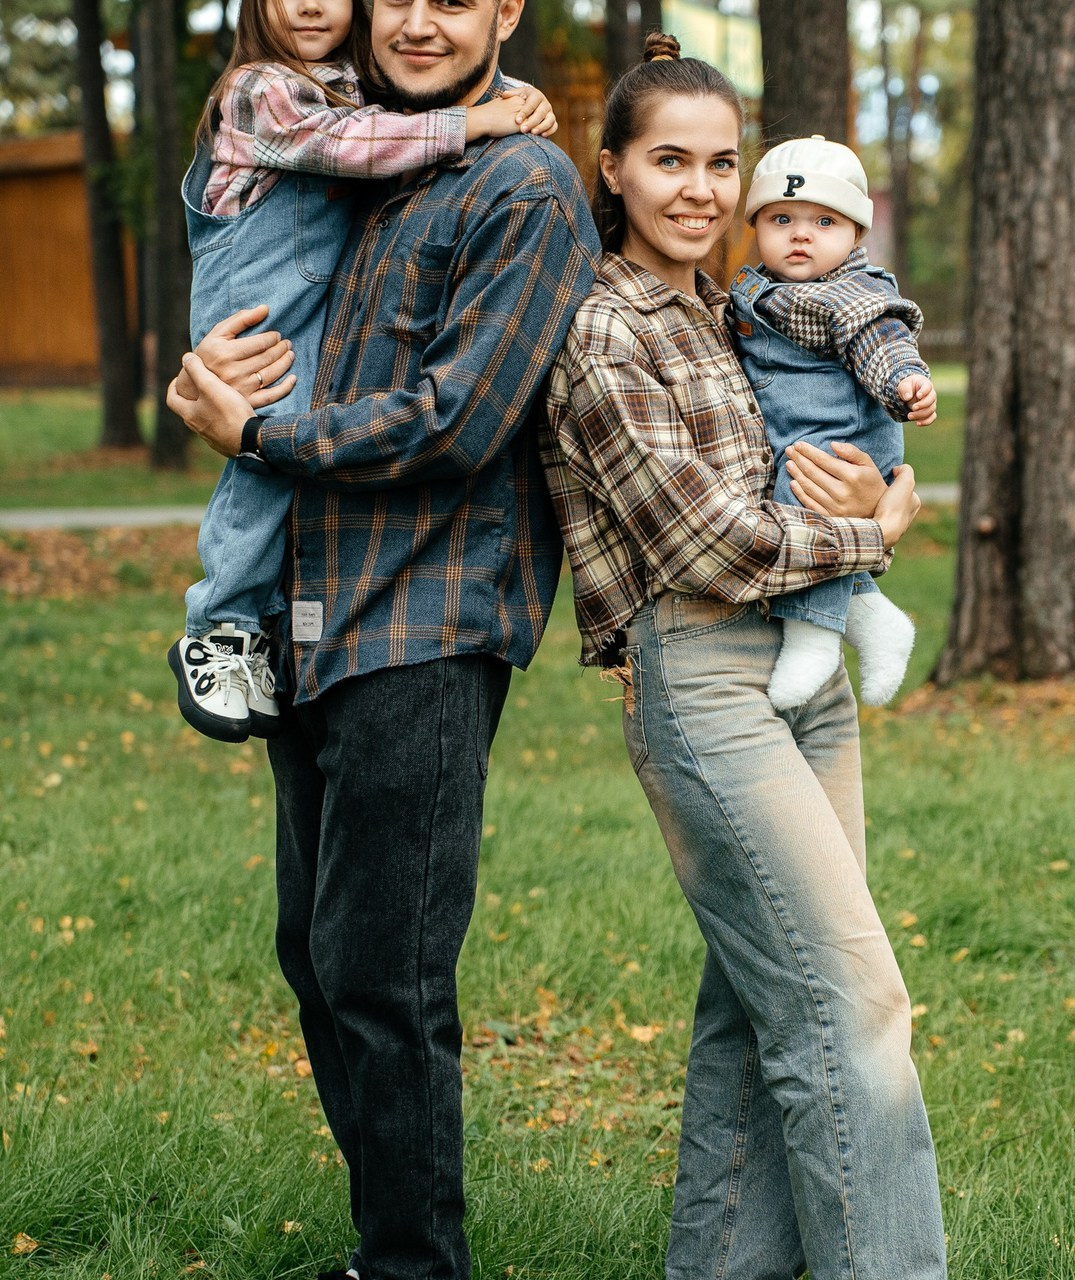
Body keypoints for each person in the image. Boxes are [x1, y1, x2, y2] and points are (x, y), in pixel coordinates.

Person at [165, 0, 599, 1276]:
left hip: (425, 618)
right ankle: (388, 1247)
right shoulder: (353, 156)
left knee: (385, 970)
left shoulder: (521, 185)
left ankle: (414, 1264)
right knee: (317, 954)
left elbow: (459, 419)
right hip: (311, 609)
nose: (416, 21)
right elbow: (266, 299)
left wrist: (258, 434)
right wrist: (212, 375)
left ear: (504, 11)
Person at [541, 33, 948, 1280]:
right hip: (705, 674)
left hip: (805, 672)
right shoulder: (602, 330)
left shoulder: (743, 308)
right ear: (612, 169)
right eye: (668, 160)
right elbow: (703, 537)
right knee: (852, 1003)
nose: (700, 189)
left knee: (760, 1000)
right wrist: (869, 530)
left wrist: (869, 488)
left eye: (722, 164)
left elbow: (839, 426)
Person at [168, 0, 558, 744]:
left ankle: (249, 621)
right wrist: (478, 119)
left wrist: (515, 97)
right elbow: (353, 143)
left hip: (420, 610)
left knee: (273, 448)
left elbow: (421, 93)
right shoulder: (260, 88)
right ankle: (219, 625)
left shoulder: (507, 174)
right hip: (259, 302)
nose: (312, 3)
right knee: (264, 453)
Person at [732, 135, 937, 711]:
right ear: (756, 224)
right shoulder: (764, 289)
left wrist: (905, 383)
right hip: (802, 432)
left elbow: (882, 342)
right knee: (796, 492)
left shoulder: (851, 295)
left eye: (824, 221)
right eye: (782, 219)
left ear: (856, 234)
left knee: (800, 498)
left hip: (842, 442)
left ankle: (813, 638)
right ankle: (874, 620)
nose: (801, 235)